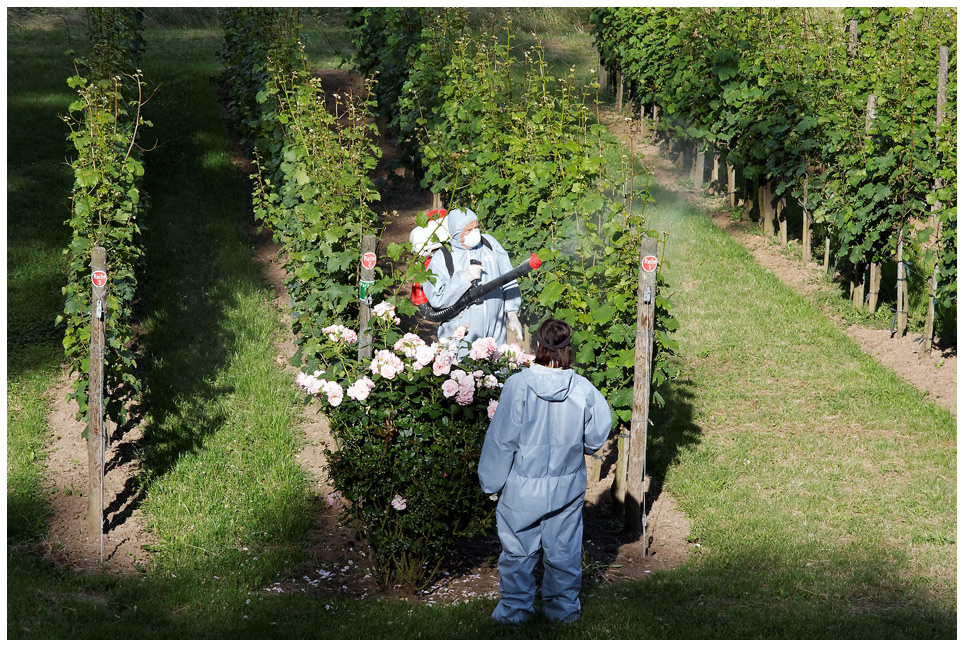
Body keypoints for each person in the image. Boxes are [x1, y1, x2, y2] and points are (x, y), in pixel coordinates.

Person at [478, 318, 612, 624]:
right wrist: (584, 445)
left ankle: (514, 614)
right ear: (568, 350)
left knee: (517, 553)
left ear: (538, 346)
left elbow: (502, 440)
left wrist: (491, 482)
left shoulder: (518, 385)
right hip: (566, 489)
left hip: (522, 489)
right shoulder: (582, 389)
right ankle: (562, 614)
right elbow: (597, 434)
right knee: (563, 552)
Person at [422, 208, 523, 350]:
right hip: (461, 337)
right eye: (469, 229)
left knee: (497, 369)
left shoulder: (489, 244)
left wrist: (512, 313)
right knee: (463, 370)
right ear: (456, 233)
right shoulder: (443, 257)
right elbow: (437, 299)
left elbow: (508, 276)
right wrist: (464, 279)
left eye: (476, 227)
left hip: (496, 331)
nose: (475, 232)